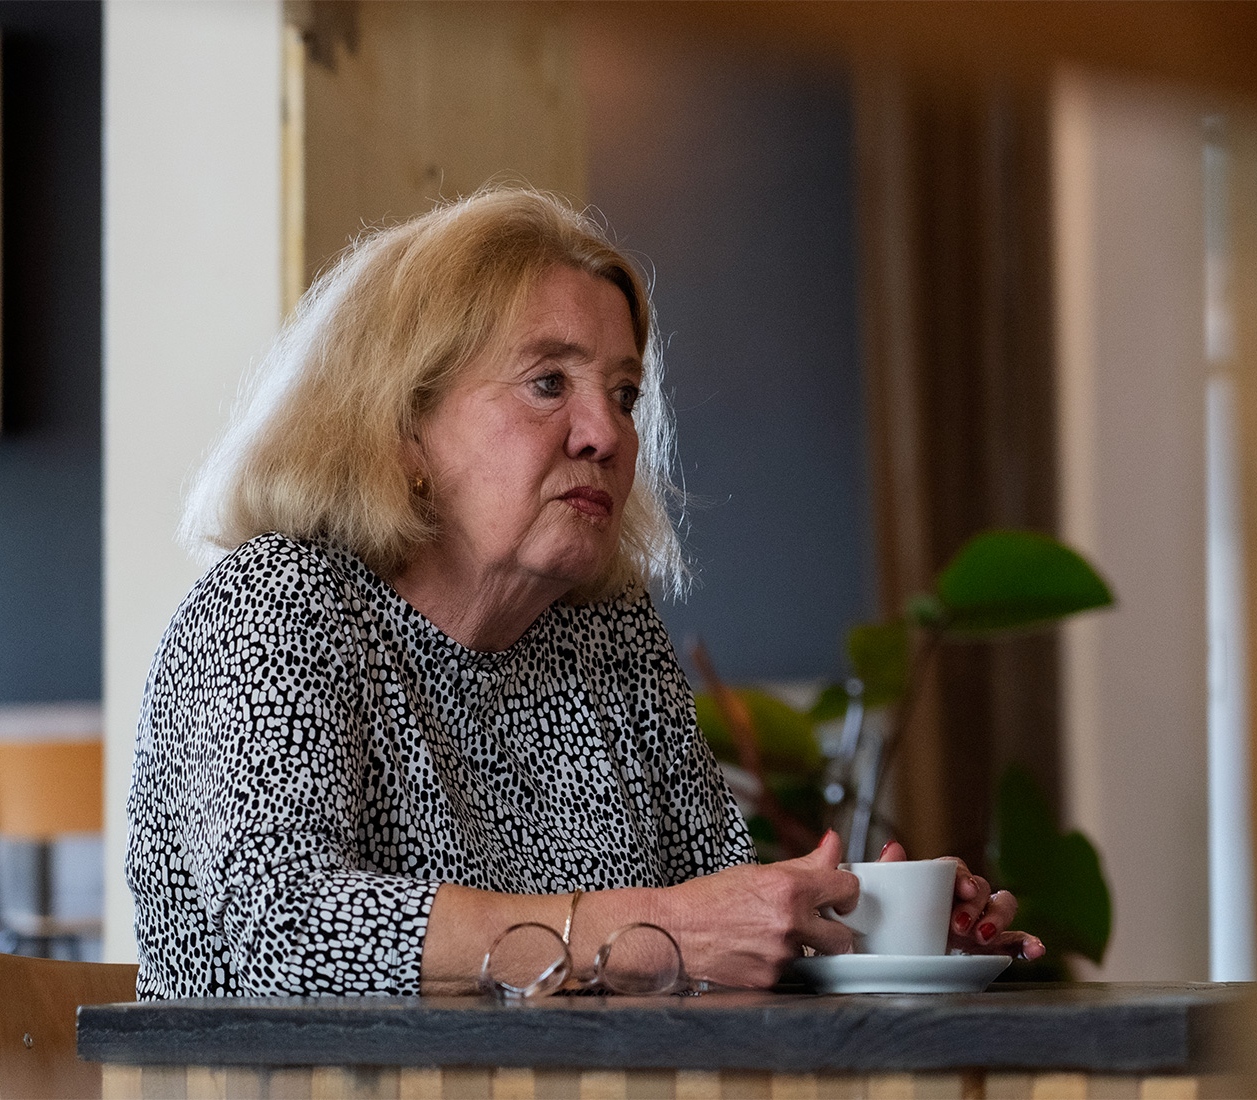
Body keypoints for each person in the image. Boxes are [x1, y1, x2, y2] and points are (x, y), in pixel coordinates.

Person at [126, 188, 1042, 998]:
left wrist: (864, 932)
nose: (604, 432)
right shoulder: (276, 605)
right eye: (548, 382)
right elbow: (284, 929)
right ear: (403, 425)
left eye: (625, 391)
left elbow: (713, 926)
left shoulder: (604, 634)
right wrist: (655, 936)